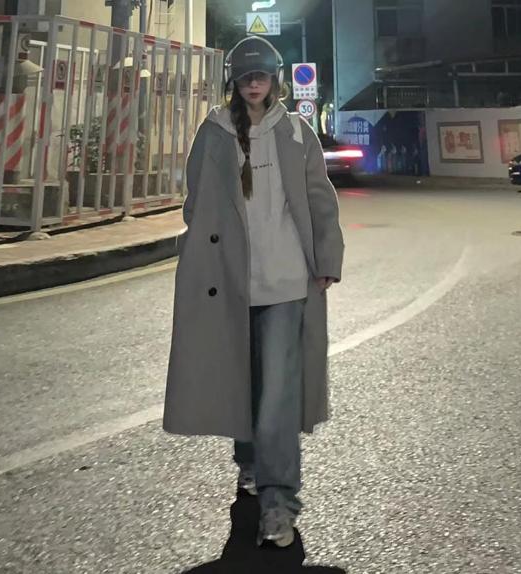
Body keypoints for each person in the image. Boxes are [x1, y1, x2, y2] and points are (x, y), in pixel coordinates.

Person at [163, 35, 344, 548]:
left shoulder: (295, 131)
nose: (254, 83)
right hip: (230, 285)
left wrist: (326, 260)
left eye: (261, 74)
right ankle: (249, 461)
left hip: (286, 284)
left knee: (277, 400)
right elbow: (196, 202)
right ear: (234, 82)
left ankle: (278, 502)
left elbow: (320, 198)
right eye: (245, 76)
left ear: (275, 79)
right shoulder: (214, 131)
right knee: (242, 382)